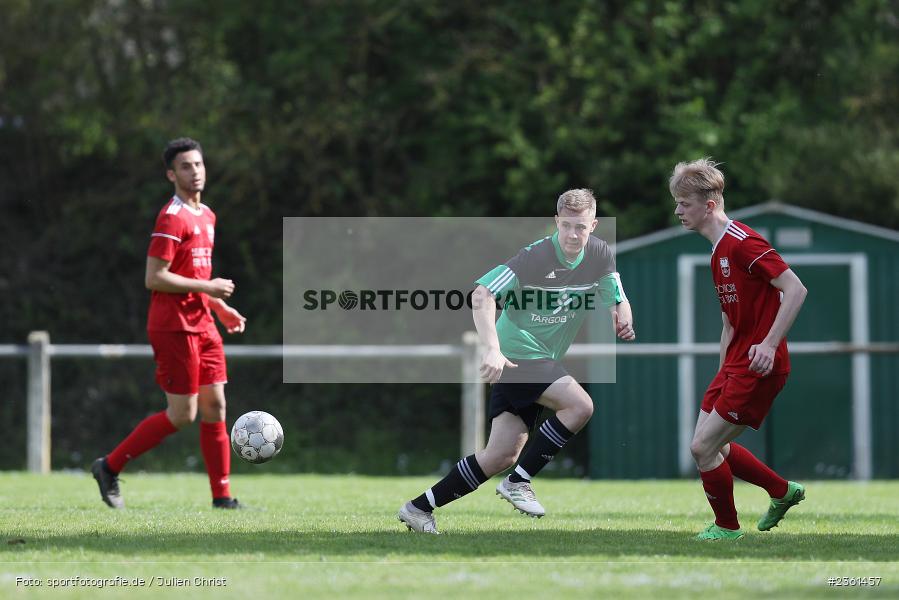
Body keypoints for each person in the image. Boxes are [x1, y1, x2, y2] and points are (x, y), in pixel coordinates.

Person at [398, 189, 635, 533]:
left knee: (500, 455)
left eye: (581, 227)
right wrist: (492, 349)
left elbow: (617, 296)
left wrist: (622, 316)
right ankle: (518, 482)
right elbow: (482, 294)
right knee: (580, 406)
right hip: (519, 353)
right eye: (566, 226)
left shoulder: (599, 254)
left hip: (534, 359)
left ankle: (418, 509)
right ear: (556, 222)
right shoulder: (535, 257)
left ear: (594, 226)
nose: (572, 234)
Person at [91, 137, 247, 509]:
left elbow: (192, 275)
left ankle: (222, 498)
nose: (195, 172)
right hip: (174, 326)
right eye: (185, 167)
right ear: (171, 175)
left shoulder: (207, 215)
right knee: (183, 415)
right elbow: (155, 277)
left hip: (202, 322)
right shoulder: (171, 217)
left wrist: (218, 307)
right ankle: (109, 467)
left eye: (198, 164)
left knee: (216, 406)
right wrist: (209, 288)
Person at [671, 158, 808, 540]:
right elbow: (729, 321)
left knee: (703, 447)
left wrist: (769, 344)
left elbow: (796, 289)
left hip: (759, 364)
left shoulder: (743, 242)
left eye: (684, 203)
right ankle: (782, 491)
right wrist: (722, 372)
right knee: (714, 446)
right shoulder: (717, 251)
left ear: (709, 205)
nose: (678, 211)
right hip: (735, 364)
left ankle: (727, 527)